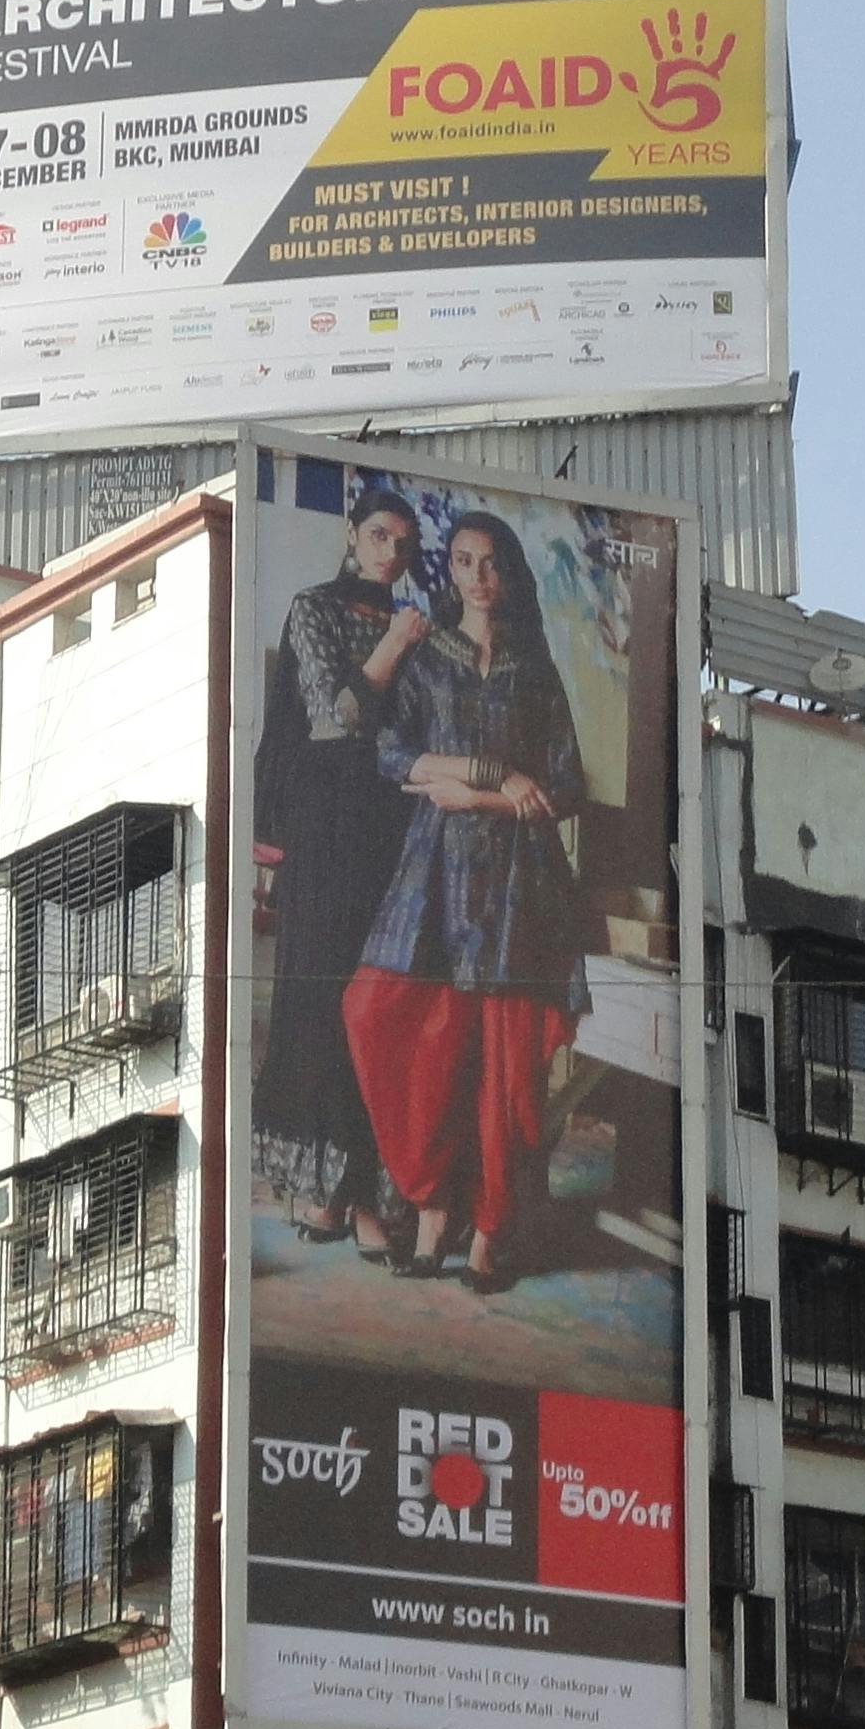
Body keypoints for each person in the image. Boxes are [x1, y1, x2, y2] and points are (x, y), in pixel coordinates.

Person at [342, 508, 593, 1294]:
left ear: (509, 573)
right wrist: (490, 776)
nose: (477, 577)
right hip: (433, 878)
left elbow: (566, 785)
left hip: (521, 885)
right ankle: (430, 1206)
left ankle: (485, 1229)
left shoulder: (536, 670)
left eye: (489, 562)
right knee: (384, 1020)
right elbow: (389, 753)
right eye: (461, 561)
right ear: (446, 572)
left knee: (505, 1070)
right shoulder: (429, 662)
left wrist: (475, 795)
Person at [250, 488, 429, 1257]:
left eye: (404, 542)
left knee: (380, 1008)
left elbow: (425, 726)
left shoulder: (423, 627)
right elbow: (338, 714)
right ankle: (333, 1195)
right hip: (325, 833)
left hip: (395, 832)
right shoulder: (313, 609)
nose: (391, 551)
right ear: (353, 534)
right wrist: (394, 644)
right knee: (325, 1006)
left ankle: (361, 1197)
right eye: (380, 535)